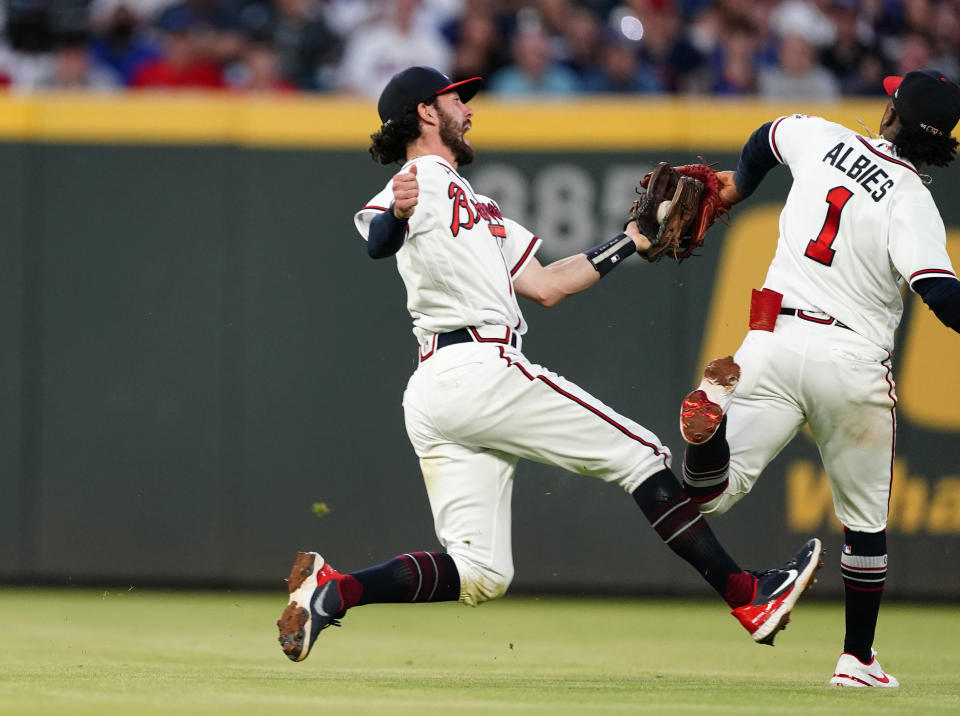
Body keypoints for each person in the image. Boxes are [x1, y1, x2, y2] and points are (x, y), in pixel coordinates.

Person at [276, 65, 823, 664]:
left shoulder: (479, 205)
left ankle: (335, 592)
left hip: (438, 391)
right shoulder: (419, 178)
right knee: (641, 454)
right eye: (459, 99)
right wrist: (397, 215)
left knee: (482, 571)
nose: (469, 109)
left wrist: (633, 240)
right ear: (427, 112)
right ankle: (747, 595)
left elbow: (547, 284)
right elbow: (378, 241)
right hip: (477, 366)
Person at [677, 68, 960, 688]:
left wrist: (737, 189)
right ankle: (857, 659)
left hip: (771, 343)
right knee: (864, 524)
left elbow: (766, 136)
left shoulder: (824, 137)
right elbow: (941, 295)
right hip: (851, 363)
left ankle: (707, 437)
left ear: (892, 112)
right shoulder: (913, 200)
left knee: (709, 496)